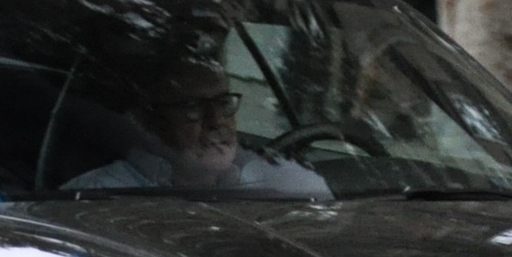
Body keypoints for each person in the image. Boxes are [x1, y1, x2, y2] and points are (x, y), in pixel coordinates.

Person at [65, 54, 327, 193]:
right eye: (192, 107)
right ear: (147, 121)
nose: (216, 121)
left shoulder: (278, 177)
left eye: (223, 103)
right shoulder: (101, 195)